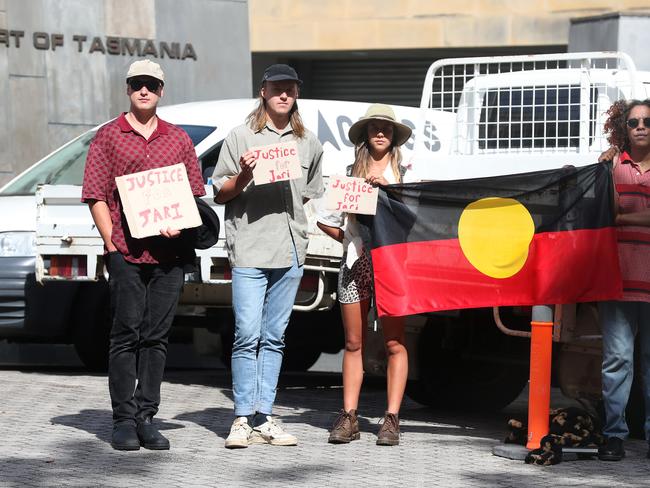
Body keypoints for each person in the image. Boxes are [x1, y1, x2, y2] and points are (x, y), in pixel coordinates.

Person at [81, 59, 206, 451]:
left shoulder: (178, 139)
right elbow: (95, 194)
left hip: (169, 255)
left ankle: (146, 416)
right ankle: (121, 420)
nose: (144, 91)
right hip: (127, 253)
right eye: (138, 84)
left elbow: (192, 193)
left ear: (161, 90)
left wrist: (180, 223)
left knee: (156, 337)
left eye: (151, 85)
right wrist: (110, 240)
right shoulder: (108, 136)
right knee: (125, 334)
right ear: (128, 89)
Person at [212, 64, 324, 449]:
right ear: (263, 91)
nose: (283, 95)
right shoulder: (240, 137)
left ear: (296, 93)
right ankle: (242, 417)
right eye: (277, 88)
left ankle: (265, 416)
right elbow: (221, 193)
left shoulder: (308, 141)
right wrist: (243, 177)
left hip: (290, 250)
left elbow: (309, 193)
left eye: (290, 89)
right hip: (249, 250)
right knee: (247, 335)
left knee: (275, 338)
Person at [317, 104, 412, 446]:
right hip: (356, 264)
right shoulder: (348, 174)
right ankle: (349, 417)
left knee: (394, 342)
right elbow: (325, 219)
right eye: (374, 127)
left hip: (393, 266)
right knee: (354, 342)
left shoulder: (407, 173)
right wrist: (351, 240)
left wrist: (387, 188)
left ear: (394, 135)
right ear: (366, 134)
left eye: (386, 128)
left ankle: (391, 419)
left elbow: (415, 221)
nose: (380, 133)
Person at [597, 98, 650, 461]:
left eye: (647, 121)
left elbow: (618, 216)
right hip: (618, 282)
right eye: (633, 123)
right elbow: (606, 212)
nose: (641, 127)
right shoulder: (611, 165)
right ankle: (614, 436)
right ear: (625, 129)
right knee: (617, 361)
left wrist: (625, 219)